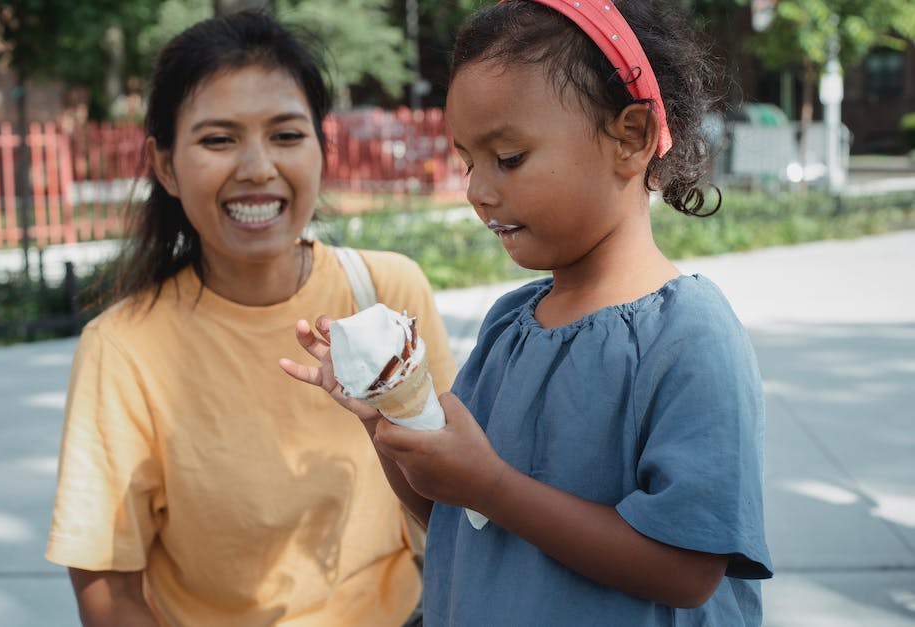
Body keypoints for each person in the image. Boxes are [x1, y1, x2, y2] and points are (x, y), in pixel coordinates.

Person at [280, 1, 773, 625]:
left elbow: (689, 570)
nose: (477, 191)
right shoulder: (510, 324)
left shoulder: (689, 335)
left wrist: (492, 486)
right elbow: (458, 514)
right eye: (468, 161)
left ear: (631, 137)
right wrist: (384, 419)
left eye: (508, 158)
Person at [45, 10, 456, 626]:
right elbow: (109, 591)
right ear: (164, 166)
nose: (258, 168)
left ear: (324, 147)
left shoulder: (387, 291)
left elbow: (452, 508)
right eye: (218, 139)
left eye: (287, 135)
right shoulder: (122, 348)